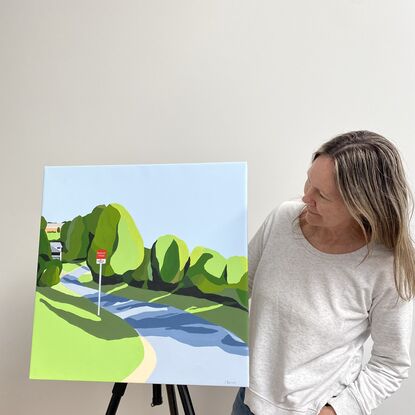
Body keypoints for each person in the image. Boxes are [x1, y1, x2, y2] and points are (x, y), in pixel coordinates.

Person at [232, 130, 415, 415]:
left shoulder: (387, 267)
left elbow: (391, 364)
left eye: (323, 195)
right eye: (309, 181)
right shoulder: (284, 220)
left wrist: (334, 411)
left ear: (361, 205)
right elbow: (237, 286)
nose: (306, 197)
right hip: (248, 401)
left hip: (316, 410)